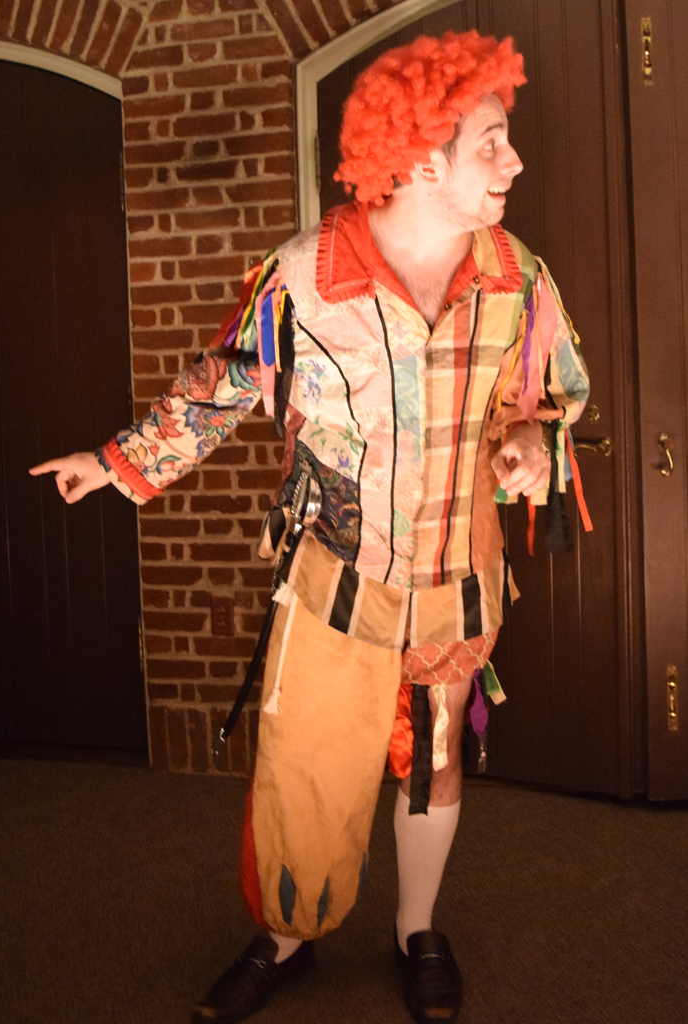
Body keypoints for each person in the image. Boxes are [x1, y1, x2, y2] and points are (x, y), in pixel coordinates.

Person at [30, 30, 589, 1024]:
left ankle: (417, 930)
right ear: (421, 160)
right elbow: (222, 387)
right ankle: (286, 941)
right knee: (309, 769)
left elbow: (548, 396)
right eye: (491, 142)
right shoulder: (308, 277)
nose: (512, 161)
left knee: (437, 763)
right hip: (335, 578)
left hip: (457, 581)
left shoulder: (518, 275)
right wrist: (116, 462)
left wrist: (529, 442)